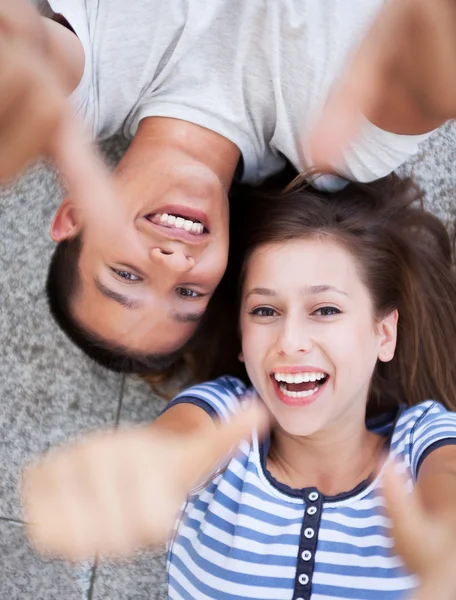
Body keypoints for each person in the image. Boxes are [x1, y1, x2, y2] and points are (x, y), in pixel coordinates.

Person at [22, 175, 456, 599]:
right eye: (265, 311)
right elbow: (170, 449)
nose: (289, 341)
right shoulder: (224, 418)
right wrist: (137, 476)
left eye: (325, 310)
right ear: (242, 339)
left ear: (384, 334)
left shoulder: (424, 441)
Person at [1, 0, 452, 373]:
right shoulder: (344, 145)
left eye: (127, 274)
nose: (175, 263)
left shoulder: (78, 92)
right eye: (188, 293)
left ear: (75, 215)